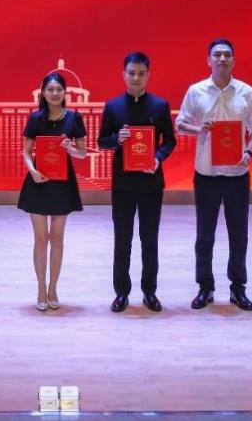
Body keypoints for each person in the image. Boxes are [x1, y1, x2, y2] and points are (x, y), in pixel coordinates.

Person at [176, 38, 252, 311]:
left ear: (233, 60)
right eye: (217, 55)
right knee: (205, 235)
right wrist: (199, 129)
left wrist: (249, 151)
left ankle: (238, 288)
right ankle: (205, 287)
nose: (222, 59)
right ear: (208, 60)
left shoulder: (246, 92)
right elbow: (180, 123)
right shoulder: (196, 91)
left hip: (238, 173)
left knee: (239, 235)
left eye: (227, 55)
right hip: (207, 173)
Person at [98, 51, 177, 313]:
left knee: (149, 240)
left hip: (151, 184)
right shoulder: (113, 107)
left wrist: (157, 157)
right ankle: (121, 292)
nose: (136, 78)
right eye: (131, 73)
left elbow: (170, 141)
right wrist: (116, 140)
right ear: (123, 74)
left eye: (141, 73)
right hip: (123, 185)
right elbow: (102, 141)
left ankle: (149, 291)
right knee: (122, 240)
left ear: (148, 75)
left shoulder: (159, 105)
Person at [17, 71, 87, 310]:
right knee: (40, 238)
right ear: (43, 93)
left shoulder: (74, 118)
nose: (55, 93)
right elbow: (27, 152)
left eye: (59, 89)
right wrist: (32, 170)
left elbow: (82, 153)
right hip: (38, 182)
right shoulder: (35, 118)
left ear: (64, 92)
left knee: (57, 238)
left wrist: (71, 149)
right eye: (50, 90)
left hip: (62, 185)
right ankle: (40, 289)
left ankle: (53, 288)